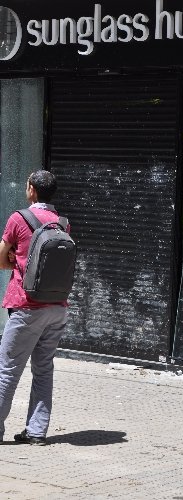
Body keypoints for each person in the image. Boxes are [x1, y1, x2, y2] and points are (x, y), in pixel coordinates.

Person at [0, 170, 68, 446]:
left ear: (30, 189)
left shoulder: (19, 218)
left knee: (7, 370)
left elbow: (2, 257)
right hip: (57, 308)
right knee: (43, 370)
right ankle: (37, 431)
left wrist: (15, 264)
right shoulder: (62, 223)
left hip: (26, 305)